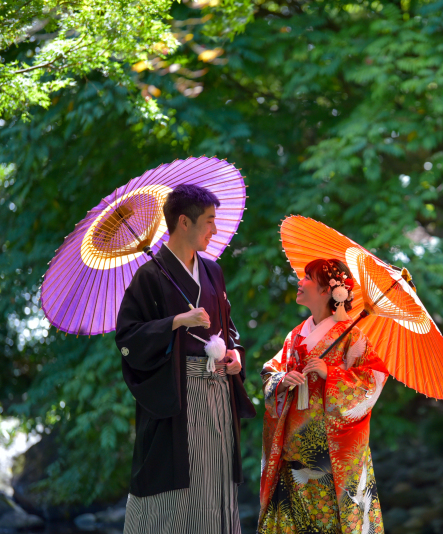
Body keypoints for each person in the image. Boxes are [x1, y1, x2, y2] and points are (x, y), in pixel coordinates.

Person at [116, 184, 255, 534]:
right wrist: (176, 321)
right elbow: (129, 338)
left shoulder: (213, 272)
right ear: (183, 222)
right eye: (209, 221)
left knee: (217, 482)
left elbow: (228, 329)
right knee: (179, 490)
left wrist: (234, 355)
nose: (215, 230)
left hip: (217, 392)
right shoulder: (149, 277)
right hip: (179, 396)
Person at [258, 259, 388, 534]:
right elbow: (271, 370)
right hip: (293, 453)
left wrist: (333, 374)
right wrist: (283, 381)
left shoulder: (353, 338)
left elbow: (373, 380)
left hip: (331, 456)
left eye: (307, 277)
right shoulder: (296, 336)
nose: (300, 282)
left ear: (329, 291)